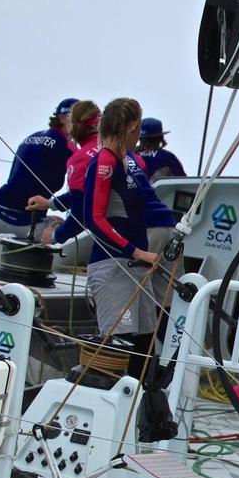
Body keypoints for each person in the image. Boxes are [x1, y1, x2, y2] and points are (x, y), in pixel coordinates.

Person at [83, 98, 175, 377]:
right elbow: (93, 219)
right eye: (137, 131)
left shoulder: (127, 161)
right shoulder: (105, 161)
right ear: (132, 128)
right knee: (120, 350)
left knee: (146, 345)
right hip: (113, 267)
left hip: (135, 270)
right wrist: (136, 251)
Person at [0, 97, 77, 239]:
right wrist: (54, 205)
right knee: (62, 227)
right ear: (63, 118)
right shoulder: (68, 147)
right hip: (27, 224)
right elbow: (82, 191)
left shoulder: (30, 138)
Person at [25, 100, 100, 248]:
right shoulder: (121, 151)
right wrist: (50, 204)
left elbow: (80, 215)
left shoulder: (80, 159)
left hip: (114, 247)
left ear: (73, 125)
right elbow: (86, 195)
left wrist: (55, 236)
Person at [136, 117, 186, 183]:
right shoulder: (168, 157)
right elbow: (183, 182)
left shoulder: (128, 156)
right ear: (160, 138)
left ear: (140, 138)